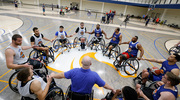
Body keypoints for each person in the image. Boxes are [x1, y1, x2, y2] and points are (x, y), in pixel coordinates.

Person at [50, 56, 116, 100]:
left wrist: (53, 75)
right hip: (85, 97)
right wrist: (112, 89)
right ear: (90, 64)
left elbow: (61, 75)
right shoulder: (94, 75)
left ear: (81, 62)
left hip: (73, 96)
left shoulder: (74, 71)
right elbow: (105, 85)